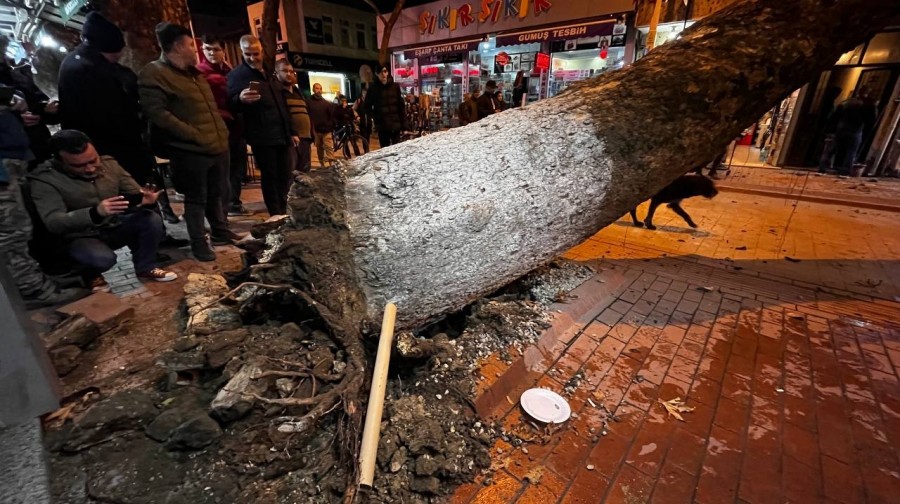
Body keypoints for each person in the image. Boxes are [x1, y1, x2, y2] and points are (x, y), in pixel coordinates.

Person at [57, 12, 182, 227]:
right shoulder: (85, 71)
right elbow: (106, 115)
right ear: (105, 47)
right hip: (111, 149)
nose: (120, 54)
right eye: (116, 50)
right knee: (132, 193)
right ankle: (144, 237)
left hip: (123, 145)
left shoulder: (93, 64)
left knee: (143, 188)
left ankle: (157, 232)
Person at [28, 130, 177, 292]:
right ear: (59, 162)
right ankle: (89, 275)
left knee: (150, 218)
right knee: (103, 259)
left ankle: (146, 267)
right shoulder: (44, 179)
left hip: (112, 226)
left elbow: (133, 193)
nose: (90, 169)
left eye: (93, 160)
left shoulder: (109, 165)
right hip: (79, 236)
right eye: (79, 165)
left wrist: (145, 200)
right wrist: (94, 212)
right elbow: (54, 222)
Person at [139, 22, 238, 262]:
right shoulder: (155, 73)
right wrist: (192, 134)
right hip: (190, 151)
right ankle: (198, 242)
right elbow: (159, 114)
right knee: (196, 199)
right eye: (191, 46)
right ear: (176, 47)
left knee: (217, 193)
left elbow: (210, 109)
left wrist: (221, 133)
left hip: (216, 146)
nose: (197, 51)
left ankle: (220, 232)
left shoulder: (195, 75)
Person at [1, 93, 88, 307]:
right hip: (1, 167)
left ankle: (34, 279)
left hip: (12, 158)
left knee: (21, 228)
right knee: (11, 233)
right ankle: (32, 290)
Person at [227, 35, 293, 214]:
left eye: (255, 53)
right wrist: (240, 99)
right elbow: (231, 103)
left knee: (285, 176)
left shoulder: (268, 72)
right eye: (248, 54)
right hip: (262, 136)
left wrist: (291, 131)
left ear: (262, 52)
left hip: (281, 134)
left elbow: (281, 102)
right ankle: (276, 214)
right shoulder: (237, 75)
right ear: (242, 52)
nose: (252, 58)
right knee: (270, 177)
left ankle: (286, 209)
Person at [198, 34, 252, 217]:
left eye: (216, 49)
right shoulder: (200, 72)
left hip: (237, 128)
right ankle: (221, 213)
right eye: (208, 49)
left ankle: (233, 203)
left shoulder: (231, 71)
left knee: (237, 170)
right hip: (217, 129)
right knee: (221, 173)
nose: (212, 53)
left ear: (223, 51)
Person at [0, 34, 57, 165]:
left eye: (3, 51)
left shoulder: (17, 73)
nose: (5, 57)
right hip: (12, 159)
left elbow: (34, 99)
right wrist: (17, 119)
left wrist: (44, 110)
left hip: (38, 146)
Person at [820, 89, 877, 175]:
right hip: (856, 130)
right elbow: (871, 120)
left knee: (833, 148)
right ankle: (845, 170)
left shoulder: (846, 103)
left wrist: (829, 129)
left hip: (842, 127)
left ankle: (823, 167)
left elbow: (834, 116)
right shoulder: (867, 105)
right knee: (851, 151)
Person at [274, 59, 312, 174]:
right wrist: (291, 133)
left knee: (304, 173)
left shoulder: (297, 92)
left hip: (305, 138)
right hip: (290, 140)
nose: (289, 74)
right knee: (290, 173)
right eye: (285, 71)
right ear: (277, 73)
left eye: (291, 71)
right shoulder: (277, 92)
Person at [364, 66, 405, 147]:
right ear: (376, 74)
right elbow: (366, 107)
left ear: (388, 72)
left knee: (397, 151)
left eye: (385, 71)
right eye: (381, 72)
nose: (383, 74)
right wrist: (376, 117)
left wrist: (404, 124)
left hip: (395, 125)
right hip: (382, 127)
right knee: (385, 152)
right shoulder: (373, 89)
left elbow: (401, 106)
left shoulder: (395, 87)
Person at [307, 82, 337, 166]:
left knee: (329, 148)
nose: (319, 90)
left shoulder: (326, 103)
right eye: (317, 88)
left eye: (320, 88)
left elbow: (331, 116)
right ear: (313, 89)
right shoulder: (308, 102)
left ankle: (332, 166)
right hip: (316, 131)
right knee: (319, 149)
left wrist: (330, 125)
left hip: (326, 131)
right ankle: (322, 165)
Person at [353, 84, 372, 153]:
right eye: (364, 92)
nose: (365, 94)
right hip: (362, 123)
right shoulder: (358, 101)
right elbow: (353, 109)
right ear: (362, 92)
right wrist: (357, 116)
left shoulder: (370, 101)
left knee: (368, 138)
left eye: (367, 92)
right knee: (364, 138)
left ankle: (367, 151)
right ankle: (366, 152)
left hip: (369, 123)